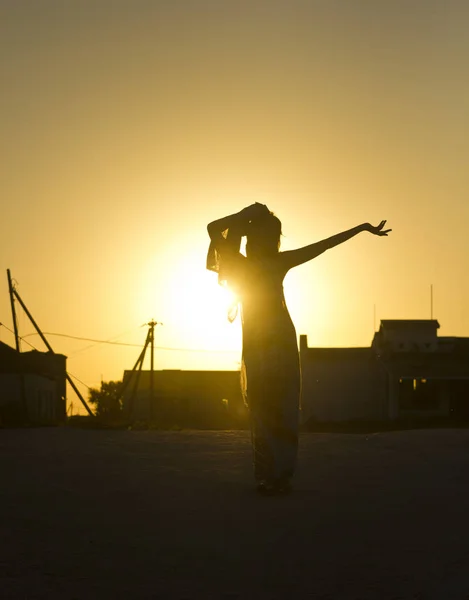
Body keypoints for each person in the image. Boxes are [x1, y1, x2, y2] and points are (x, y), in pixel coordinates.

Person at [206, 203, 391, 495]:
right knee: (273, 406)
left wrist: (243, 216)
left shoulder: (245, 262)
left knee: (269, 406)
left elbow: (213, 228)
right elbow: (326, 245)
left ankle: (272, 475)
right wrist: (362, 228)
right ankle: (275, 475)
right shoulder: (267, 262)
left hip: (270, 342)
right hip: (270, 341)